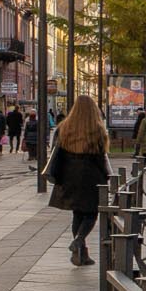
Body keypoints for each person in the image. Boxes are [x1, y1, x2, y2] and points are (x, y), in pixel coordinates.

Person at [48, 94, 111, 266]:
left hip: (69, 176)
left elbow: (55, 151)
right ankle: (79, 241)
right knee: (91, 213)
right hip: (91, 177)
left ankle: (81, 254)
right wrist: (107, 177)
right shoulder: (97, 129)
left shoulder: (64, 127)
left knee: (77, 213)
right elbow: (101, 157)